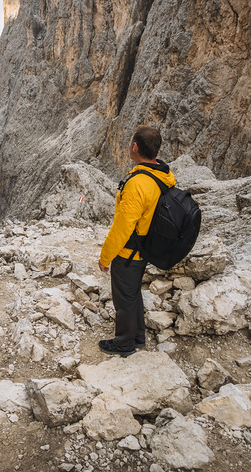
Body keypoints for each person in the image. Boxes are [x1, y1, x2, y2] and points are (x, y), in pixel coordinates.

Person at [97, 125, 176, 357]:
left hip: (129, 252)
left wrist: (105, 256)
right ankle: (138, 336)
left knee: (124, 299)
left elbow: (123, 227)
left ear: (134, 147)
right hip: (145, 248)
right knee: (132, 294)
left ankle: (124, 343)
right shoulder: (163, 175)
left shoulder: (137, 184)